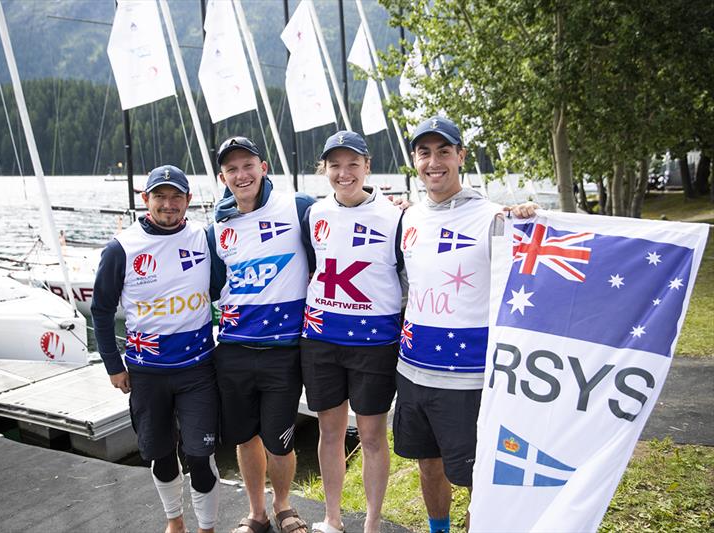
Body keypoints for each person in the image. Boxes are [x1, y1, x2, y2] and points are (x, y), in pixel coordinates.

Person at [393, 116, 536, 532]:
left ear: (461, 156)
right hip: (413, 368)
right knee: (428, 463)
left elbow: (535, 264)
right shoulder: (410, 218)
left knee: (475, 478)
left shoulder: (495, 218)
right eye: (424, 153)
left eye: (443, 152)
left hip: (468, 376)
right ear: (415, 161)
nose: (433, 162)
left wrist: (529, 219)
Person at [92, 165, 220, 533]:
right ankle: (174, 521)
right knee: (161, 455)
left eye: (176, 196)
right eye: (159, 196)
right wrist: (113, 365)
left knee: (199, 454)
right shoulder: (122, 248)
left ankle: (207, 528)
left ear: (188, 201)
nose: (168, 204)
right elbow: (101, 310)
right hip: (146, 373)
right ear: (145, 199)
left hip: (197, 368)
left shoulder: (203, 238)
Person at [206, 137, 314, 533]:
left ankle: (285, 507)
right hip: (233, 347)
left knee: (279, 439)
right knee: (244, 436)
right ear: (223, 177)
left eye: (248, 165)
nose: (241, 174)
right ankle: (257, 514)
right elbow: (213, 285)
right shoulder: (218, 224)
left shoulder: (297, 207)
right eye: (232, 169)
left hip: (282, 349)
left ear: (263, 167)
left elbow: (343, 217)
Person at [299, 131, 404, 533]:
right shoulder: (314, 214)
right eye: (335, 165)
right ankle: (332, 517)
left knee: (373, 433)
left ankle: (373, 522)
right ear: (325, 169)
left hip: (374, 343)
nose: (344, 174)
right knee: (329, 429)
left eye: (353, 164)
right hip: (321, 338)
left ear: (368, 166)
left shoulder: (395, 216)